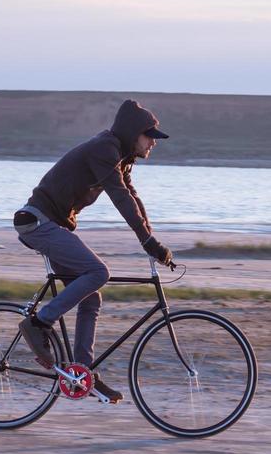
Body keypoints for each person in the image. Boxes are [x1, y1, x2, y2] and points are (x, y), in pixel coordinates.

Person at [12, 99, 175, 404]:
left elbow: (133, 199)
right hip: (37, 222)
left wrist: (151, 239)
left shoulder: (121, 158)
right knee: (99, 272)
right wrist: (147, 243)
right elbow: (120, 198)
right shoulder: (105, 149)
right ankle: (38, 323)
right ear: (132, 132)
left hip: (52, 225)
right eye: (149, 135)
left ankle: (81, 374)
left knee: (91, 296)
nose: (153, 142)